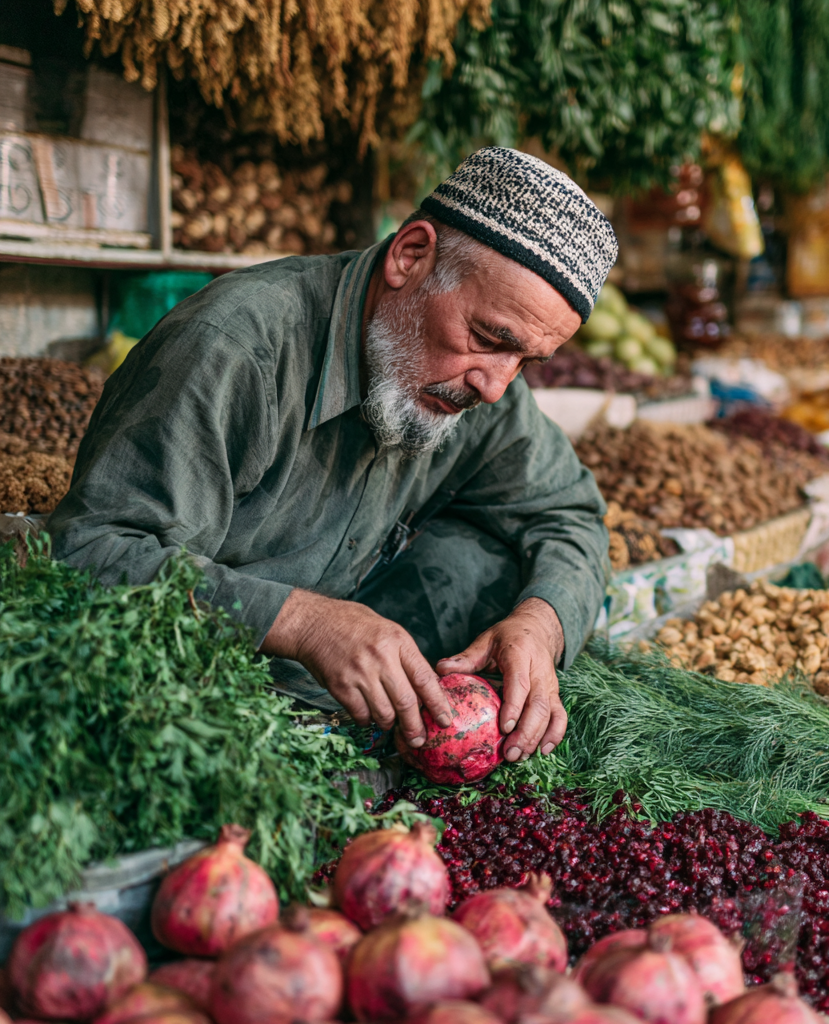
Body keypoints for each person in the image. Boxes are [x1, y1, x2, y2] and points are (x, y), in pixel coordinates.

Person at [49, 147, 617, 763]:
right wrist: (300, 621)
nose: (497, 386)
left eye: (526, 361)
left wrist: (542, 624)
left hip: (337, 685)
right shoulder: (238, 348)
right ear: (410, 256)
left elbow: (569, 514)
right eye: (488, 339)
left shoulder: (478, 383)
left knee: (508, 562)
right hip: (182, 695)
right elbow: (89, 553)